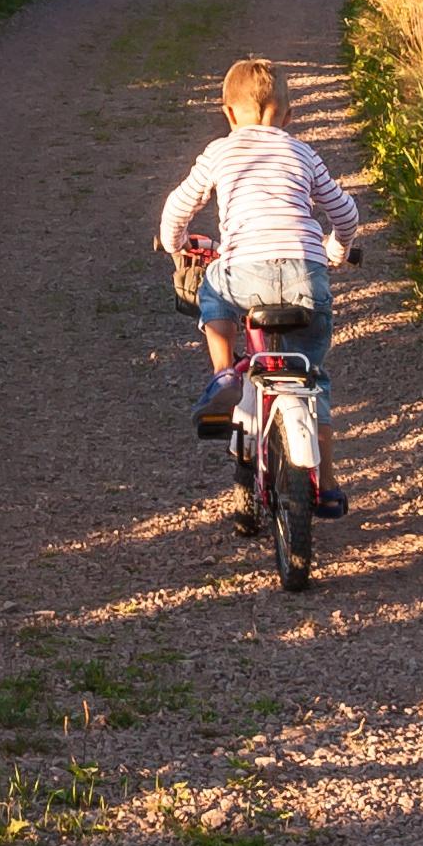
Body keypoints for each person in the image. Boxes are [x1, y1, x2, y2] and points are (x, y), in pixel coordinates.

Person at [155, 56, 363, 516]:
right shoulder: (304, 153)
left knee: (213, 287)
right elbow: (345, 214)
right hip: (306, 277)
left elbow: (177, 210)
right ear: (288, 117)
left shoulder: (220, 151)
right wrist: (337, 250)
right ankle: (326, 485)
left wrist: (174, 246)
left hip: (243, 275)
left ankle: (225, 372)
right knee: (313, 380)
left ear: (228, 114)